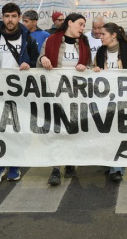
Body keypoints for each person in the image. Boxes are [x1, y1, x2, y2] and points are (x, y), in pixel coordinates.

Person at [0, 3, 38, 184]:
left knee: (17, 129)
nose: (10, 20)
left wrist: (28, 65)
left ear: (19, 17)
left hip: (20, 92)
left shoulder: (28, 39)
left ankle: (15, 165)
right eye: (7, 16)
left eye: (13, 16)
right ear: (2, 17)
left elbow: (35, 61)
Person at [92, 22, 127, 182]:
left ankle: (117, 168)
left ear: (113, 35)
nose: (100, 36)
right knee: (107, 133)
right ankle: (110, 162)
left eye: (103, 34)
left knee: (119, 133)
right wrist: (94, 70)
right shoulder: (100, 53)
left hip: (123, 99)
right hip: (105, 100)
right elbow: (93, 70)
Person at [38, 13, 91, 185]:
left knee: (73, 129)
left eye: (84, 25)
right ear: (70, 23)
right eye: (80, 24)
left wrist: (86, 67)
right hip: (55, 94)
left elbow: (89, 66)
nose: (83, 28)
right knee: (56, 131)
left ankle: (70, 163)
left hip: (76, 96)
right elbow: (39, 62)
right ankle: (55, 168)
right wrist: (43, 58)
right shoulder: (51, 41)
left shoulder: (84, 43)